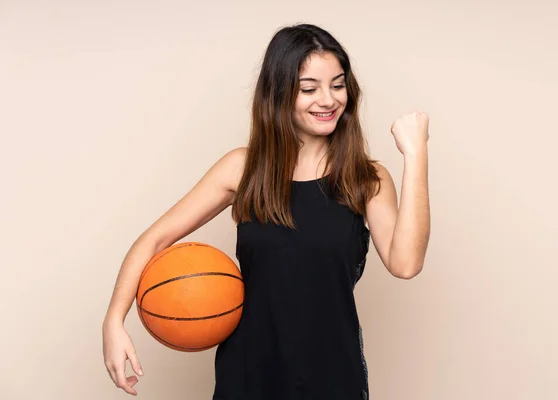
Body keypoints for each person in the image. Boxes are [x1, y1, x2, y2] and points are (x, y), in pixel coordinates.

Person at [102, 23, 430, 400]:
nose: (328, 100)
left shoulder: (365, 178)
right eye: (309, 88)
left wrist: (416, 154)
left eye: (337, 85)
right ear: (278, 93)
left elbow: (406, 264)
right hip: (248, 376)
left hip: (332, 376)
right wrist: (114, 319)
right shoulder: (243, 169)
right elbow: (154, 239)